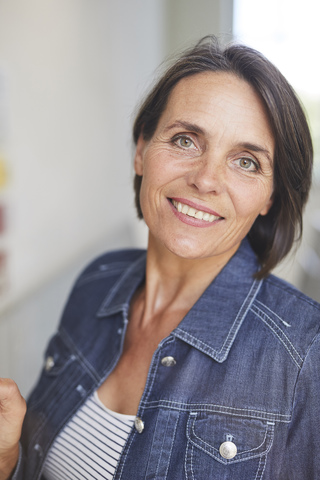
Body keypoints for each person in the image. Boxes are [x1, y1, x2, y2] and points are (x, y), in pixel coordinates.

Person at [0, 35, 319, 480]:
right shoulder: (98, 281)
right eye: (186, 140)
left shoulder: (307, 351)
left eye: (246, 161)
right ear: (141, 151)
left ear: (270, 196)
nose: (206, 180)